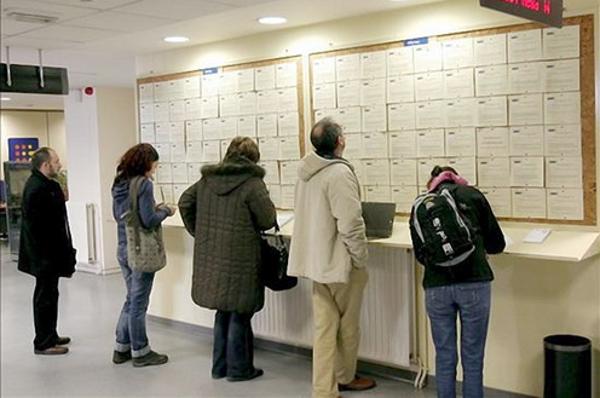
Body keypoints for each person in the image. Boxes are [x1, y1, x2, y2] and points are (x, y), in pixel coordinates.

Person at [287, 118, 376, 398]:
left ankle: (324, 390)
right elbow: (350, 223)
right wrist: (360, 259)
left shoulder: (305, 172)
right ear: (340, 142)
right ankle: (345, 376)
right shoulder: (339, 173)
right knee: (348, 328)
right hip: (341, 265)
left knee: (324, 330)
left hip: (316, 263)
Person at [178, 136, 276, 382]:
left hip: (213, 255)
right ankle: (239, 369)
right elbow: (266, 220)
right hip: (242, 256)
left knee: (223, 311)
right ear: (253, 159)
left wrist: (198, 231)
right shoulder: (253, 183)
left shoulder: (207, 179)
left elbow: (184, 202)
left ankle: (219, 366)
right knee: (241, 311)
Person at [409, 166, 506, 398]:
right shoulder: (472, 195)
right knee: (472, 357)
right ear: (456, 178)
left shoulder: (420, 206)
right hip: (475, 283)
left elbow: (421, 254)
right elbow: (497, 244)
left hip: (436, 287)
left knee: (444, 356)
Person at [111, 143, 176, 367]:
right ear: (146, 163)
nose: (155, 169)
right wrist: (166, 211)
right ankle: (140, 351)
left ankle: (121, 348)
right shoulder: (144, 185)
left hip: (123, 247)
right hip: (141, 251)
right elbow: (148, 221)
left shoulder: (119, 182)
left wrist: (150, 209)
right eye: (154, 165)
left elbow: (125, 215)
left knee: (131, 299)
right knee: (139, 303)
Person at [18, 147, 76, 355]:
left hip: (50, 254)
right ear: (45, 165)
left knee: (51, 294)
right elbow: (39, 228)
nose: (60, 164)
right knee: (44, 297)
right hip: (44, 256)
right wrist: (47, 258)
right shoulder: (37, 188)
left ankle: (50, 334)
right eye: (57, 161)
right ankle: (43, 342)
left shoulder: (46, 185)